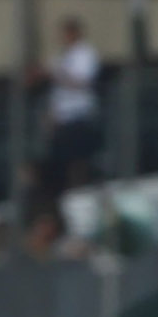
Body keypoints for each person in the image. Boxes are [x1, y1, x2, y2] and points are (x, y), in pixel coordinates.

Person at [39, 16, 103, 193]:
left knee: (78, 161)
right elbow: (56, 90)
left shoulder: (86, 54)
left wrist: (58, 74)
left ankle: (81, 191)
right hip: (62, 118)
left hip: (79, 116)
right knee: (60, 162)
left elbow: (82, 82)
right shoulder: (63, 56)